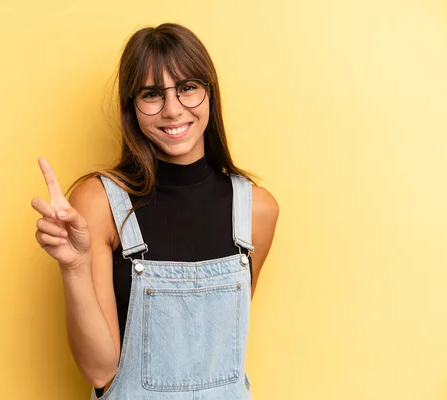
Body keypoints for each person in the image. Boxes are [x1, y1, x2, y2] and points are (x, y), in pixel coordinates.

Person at [31, 23, 279, 400]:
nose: (173, 109)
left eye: (187, 88)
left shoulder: (256, 209)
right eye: (151, 94)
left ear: (209, 92)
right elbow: (99, 370)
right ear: (132, 106)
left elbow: (220, 348)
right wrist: (74, 267)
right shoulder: (98, 203)